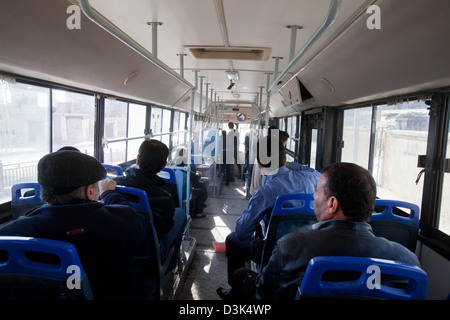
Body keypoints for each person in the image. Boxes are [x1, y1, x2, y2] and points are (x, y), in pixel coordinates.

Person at [218, 162, 421, 300]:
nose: (313, 197)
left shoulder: (292, 246)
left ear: (332, 203)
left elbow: (264, 295)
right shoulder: (408, 261)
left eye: (317, 192)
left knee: (242, 276)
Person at [0, 149, 148, 299]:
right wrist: (108, 194)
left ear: (44, 193)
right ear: (90, 192)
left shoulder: (13, 232)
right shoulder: (124, 219)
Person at [219, 135, 321, 292]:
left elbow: (242, 232)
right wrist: (290, 164)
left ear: (259, 164)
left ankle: (236, 291)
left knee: (233, 240)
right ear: (285, 157)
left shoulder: (265, 192)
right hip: (312, 251)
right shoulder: (313, 177)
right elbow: (308, 169)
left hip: (277, 255)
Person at [114, 140, 187, 267]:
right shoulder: (164, 198)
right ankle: (171, 263)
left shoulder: (114, 185)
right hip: (150, 252)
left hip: (118, 245)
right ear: (164, 166)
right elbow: (166, 227)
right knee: (180, 213)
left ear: (137, 159)